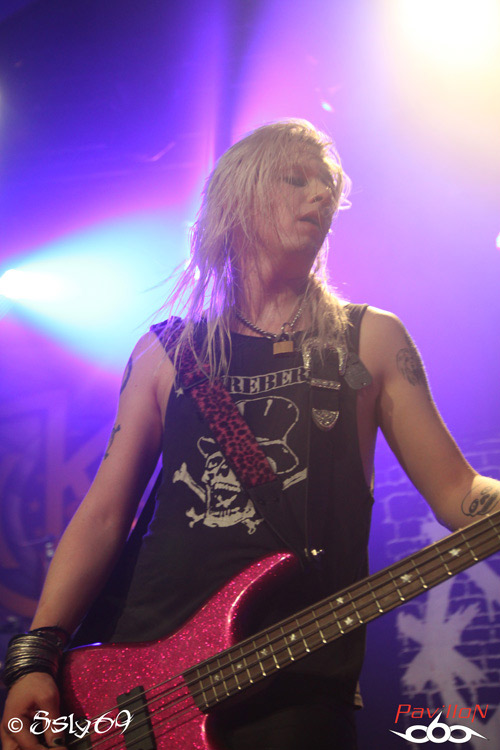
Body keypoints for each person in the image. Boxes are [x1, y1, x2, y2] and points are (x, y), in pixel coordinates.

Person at [1, 119, 499, 750]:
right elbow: (103, 515)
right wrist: (36, 657)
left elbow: (458, 493)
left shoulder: (369, 339)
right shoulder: (167, 353)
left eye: (328, 184)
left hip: (296, 686)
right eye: (295, 178)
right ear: (239, 198)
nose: (321, 194)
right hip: (142, 689)